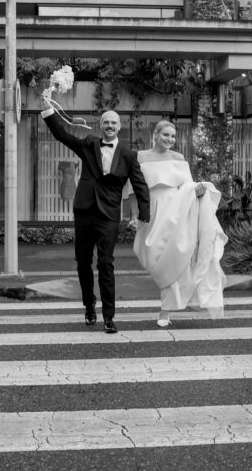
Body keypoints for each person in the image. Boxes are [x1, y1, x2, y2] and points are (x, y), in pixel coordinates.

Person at [41, 94, 150, 334]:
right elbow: (62, 136)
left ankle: (109, 317)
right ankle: (89, 304)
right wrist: (48, 110)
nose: (110, 126)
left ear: (119, 127)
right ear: (101, 126)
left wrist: (144, 214)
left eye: (114, 123)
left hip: (109, 214)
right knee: (82, 263)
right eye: (106, 122)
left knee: (106, 263)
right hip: (84, 211)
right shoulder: (89, 143)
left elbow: (140, 184)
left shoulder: (129, 156)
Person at [131, 120, 227, 327]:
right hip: (152, 212)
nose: (170, 140)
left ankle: (164, 311)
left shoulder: (179, 158)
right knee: (152, 257)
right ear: (155, 134)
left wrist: (199, 190)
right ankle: (176, 299)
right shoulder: (140, 157)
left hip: (177, 211)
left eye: (173, 136)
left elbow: (188, 186)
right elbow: (133, 190)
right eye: (165, 135)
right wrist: (134, 215)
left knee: (175, 258)